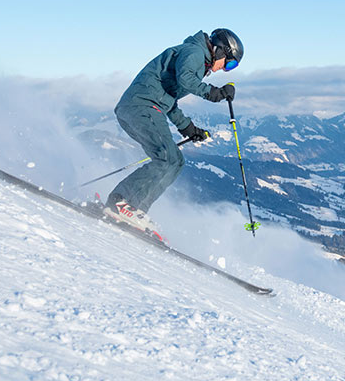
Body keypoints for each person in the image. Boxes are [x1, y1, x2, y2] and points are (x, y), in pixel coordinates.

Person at [104, 28, 244, 232]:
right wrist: (215, 93)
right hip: (141, 106)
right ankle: (121, 202)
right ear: (221, 50)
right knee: (167, 158)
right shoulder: (194, 53)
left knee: (176, 162)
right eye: (229, 63)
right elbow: (186, 79)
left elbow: (169, 100)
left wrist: (187, 127)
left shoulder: (195, 58)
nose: (225, 69)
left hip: (143, 108)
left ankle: (134, 210)